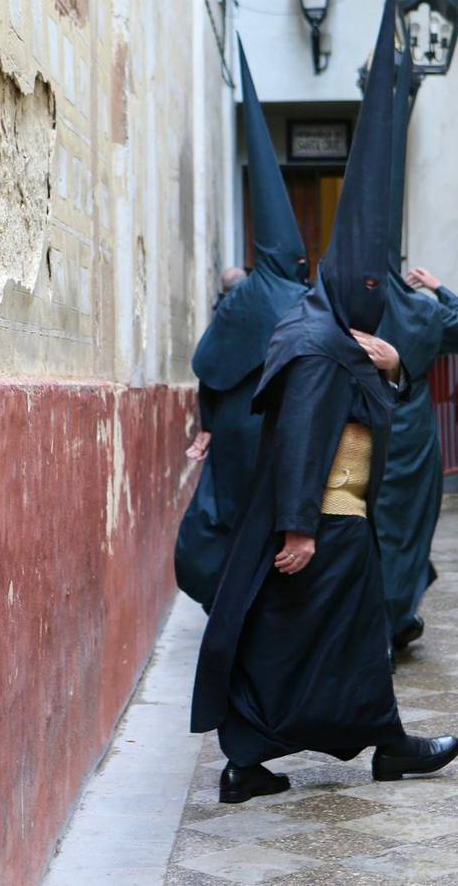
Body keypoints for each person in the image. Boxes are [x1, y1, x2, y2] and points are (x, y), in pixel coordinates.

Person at [191, 0, 458, 805]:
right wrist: (303, 528)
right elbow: (307, 426)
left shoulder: (332, 332)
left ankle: (278, 755)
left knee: (324, 640)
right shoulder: (316, 342)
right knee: (338, 638)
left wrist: (389, 370)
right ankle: (373, 743)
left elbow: (363, 400)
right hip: (325, 519)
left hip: (328, 517)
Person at [173, 47, 311, 612]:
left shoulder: (245, 295)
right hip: (276, 434)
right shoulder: (305, 299)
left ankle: (226, 603)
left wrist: (208, 423)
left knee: (226, 520)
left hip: (233, 429)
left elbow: (210, 361)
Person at [376, 45, 458, 653]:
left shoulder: (331, 309)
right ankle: (393, 620)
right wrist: (440, 287)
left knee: (380, 532)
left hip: (359, 442)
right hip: (411, 439)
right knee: (406, 529)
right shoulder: (420, 309)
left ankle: (391, 616)